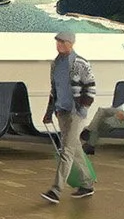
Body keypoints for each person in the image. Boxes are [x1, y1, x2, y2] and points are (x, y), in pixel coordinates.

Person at [41, 29, 98, 204]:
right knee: (75, 149)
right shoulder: (55, 64)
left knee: (66, 151)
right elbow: (54, 89)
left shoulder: (80, 63)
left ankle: (56, 190)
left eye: (63, 42)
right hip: (62, 112)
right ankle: (87, 184)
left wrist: (82, 108)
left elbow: (91, 87)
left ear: (71, 43)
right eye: (57, 42)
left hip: (76, 114)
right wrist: (49, 112)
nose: (59, 45)